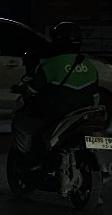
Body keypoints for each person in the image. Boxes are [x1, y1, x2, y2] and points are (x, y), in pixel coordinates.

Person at [10, 21, 101, 158]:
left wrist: (20, 89)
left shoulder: (51, 64)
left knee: (21, 122)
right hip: (85, 113)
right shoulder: (89, 65)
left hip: (58, 114)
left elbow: (32, 90)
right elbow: (96, 95)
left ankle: (30, 158)